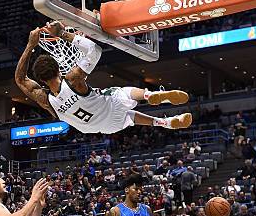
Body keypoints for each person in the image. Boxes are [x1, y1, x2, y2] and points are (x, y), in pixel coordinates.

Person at [15, 21, 192, 135]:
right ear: (58, 70)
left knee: (129, 117)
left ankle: (166, 122)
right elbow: (94, 51)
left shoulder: (45, 100)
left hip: (102, 128)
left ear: (39, 79)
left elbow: (20, 79)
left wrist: (31, 45)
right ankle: (148, 95)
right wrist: (62, 33)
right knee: (121, 92)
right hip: (108, 107)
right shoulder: (73, 79)